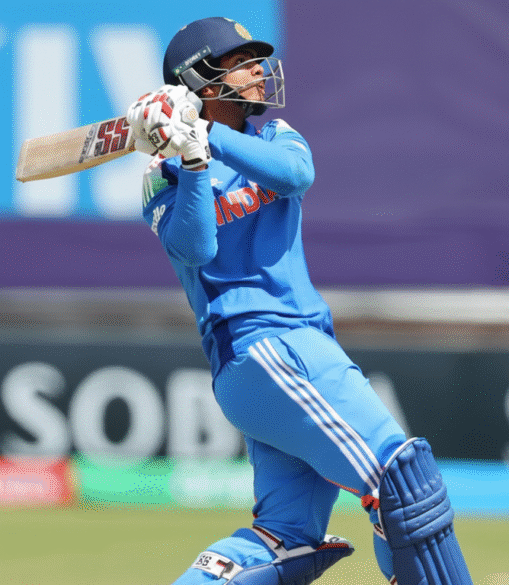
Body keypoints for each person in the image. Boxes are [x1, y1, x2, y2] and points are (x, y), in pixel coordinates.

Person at [125, 17, 473, 585]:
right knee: (403, 481)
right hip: (265, 347)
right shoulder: (162, 174)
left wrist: (205, 136)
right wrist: (190, 160)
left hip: (286, 356)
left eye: (259, 57)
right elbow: (196, 246)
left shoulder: (275, 138)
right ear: (203, 81)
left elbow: (296, 174)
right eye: (243, 60)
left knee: (285, 537)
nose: (260, 69)